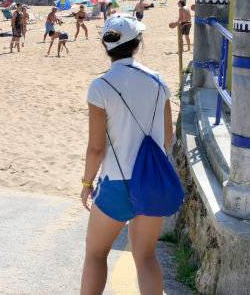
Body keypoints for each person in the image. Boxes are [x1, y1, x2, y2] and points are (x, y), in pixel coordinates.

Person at [80, 16, 174, 295]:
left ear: (106, 46)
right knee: (146, 256)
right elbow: (168, 137)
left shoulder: (101, 86)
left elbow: (96, 148)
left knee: (96, 253)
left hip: (117, 181)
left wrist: (86, 184)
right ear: (137, 43)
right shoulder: (158, 82)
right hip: (153, 181)